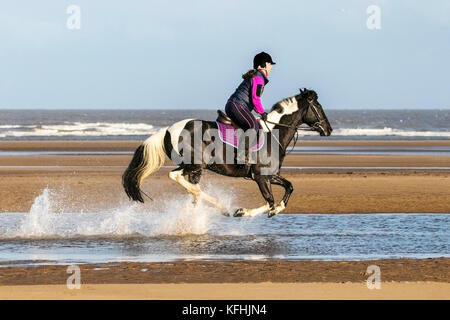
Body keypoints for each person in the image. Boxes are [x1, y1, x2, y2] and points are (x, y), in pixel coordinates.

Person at [225, 51, 275, 131]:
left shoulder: (256, 76)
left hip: (234, 105)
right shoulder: (259, 79)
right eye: (270, 64)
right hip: (238, 106)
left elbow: (253, 100)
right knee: (254, 127)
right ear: (264, 65)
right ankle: (245, 144)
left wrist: (261, 113)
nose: (271, 67)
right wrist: (262, 112)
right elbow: (256, 98)